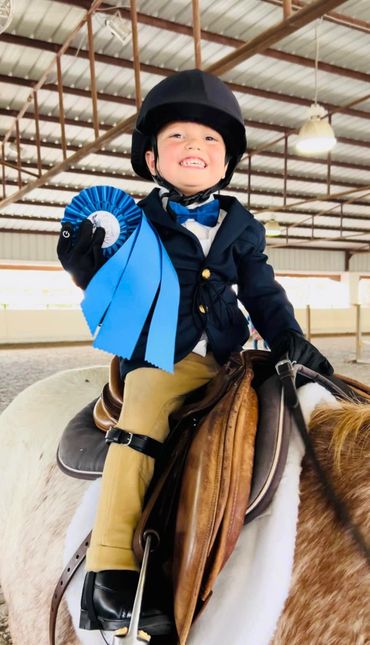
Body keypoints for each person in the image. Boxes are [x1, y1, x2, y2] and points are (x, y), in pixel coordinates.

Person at [57, 69, 333, 636]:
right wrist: (86, 267)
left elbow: (261, 290)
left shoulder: (242, 224)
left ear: (226, 162)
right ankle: (110, 571)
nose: (196, 147)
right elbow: (115, 281)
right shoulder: (135, 221)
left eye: (211, 140)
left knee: (304, 404)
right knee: (145, 415)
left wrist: (289, 339)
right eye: (179, 137)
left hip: (232, 358)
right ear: (152, 160)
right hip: (163, 357)